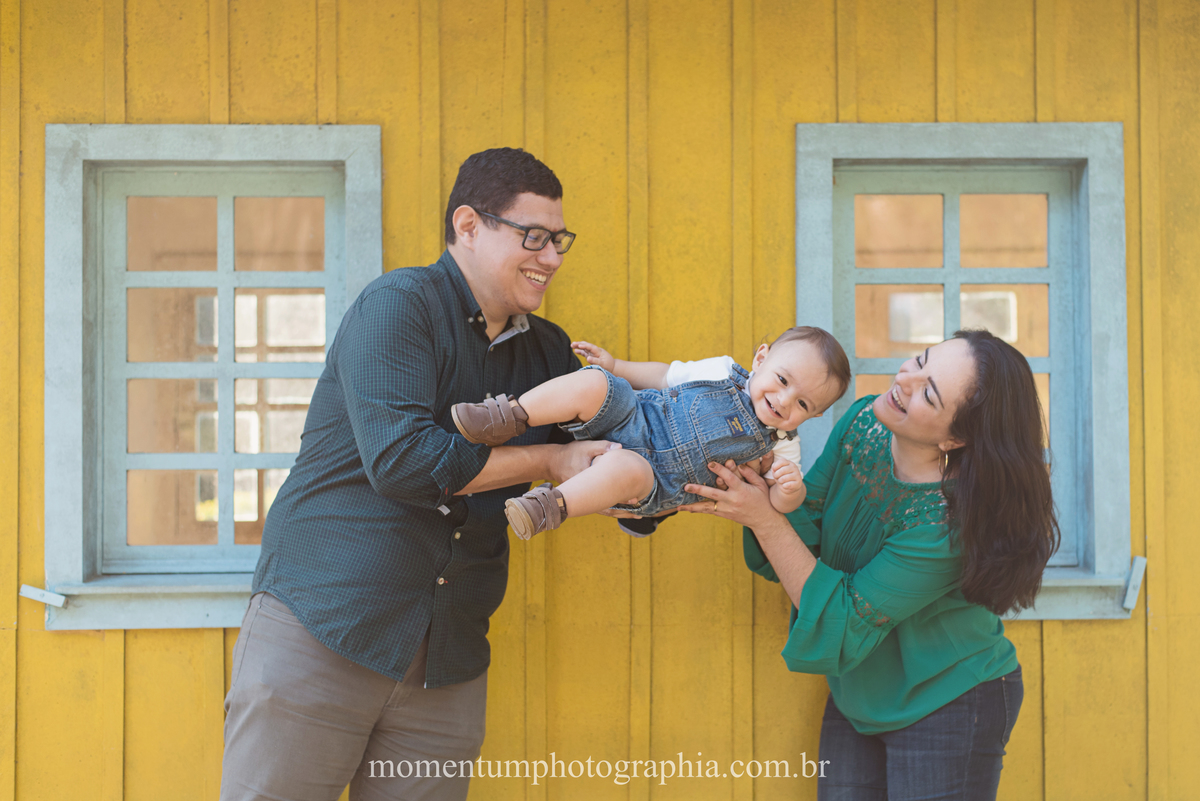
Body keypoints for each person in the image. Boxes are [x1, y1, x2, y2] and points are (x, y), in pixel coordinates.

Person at [220, 148, 615, 801]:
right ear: (468, 225)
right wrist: (548, 461)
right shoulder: (397, 306)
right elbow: (405, 463)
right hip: (324, 628)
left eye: (559, 240)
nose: (552, 257)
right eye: (534, 237)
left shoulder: (548, 350)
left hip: (447, 660)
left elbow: (601, 459)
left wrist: (719, 437)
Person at [683, 330, 1058, 800]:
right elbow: (808, 524)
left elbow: (840, 620)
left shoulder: (945, 523)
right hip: (860, 690)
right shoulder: (865, 421)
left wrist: (763, 518)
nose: (905, 380)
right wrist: (759, 475)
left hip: (951, 699)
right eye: (920, 361)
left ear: (956, 436)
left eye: (928, 392)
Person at [449, 327, 850, 539]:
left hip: (655, 478)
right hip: (635, 414)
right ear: (761, 358)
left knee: (625, 469)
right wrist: (618, 365)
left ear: (811, 418)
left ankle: (546, 507)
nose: (784, 400)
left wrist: (789, 489)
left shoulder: (782, 448)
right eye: (782, 379)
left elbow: (781, 504)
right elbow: (664, 375)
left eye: (803, 405)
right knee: (595, 382)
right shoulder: (722, 370)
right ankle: (509, 415)